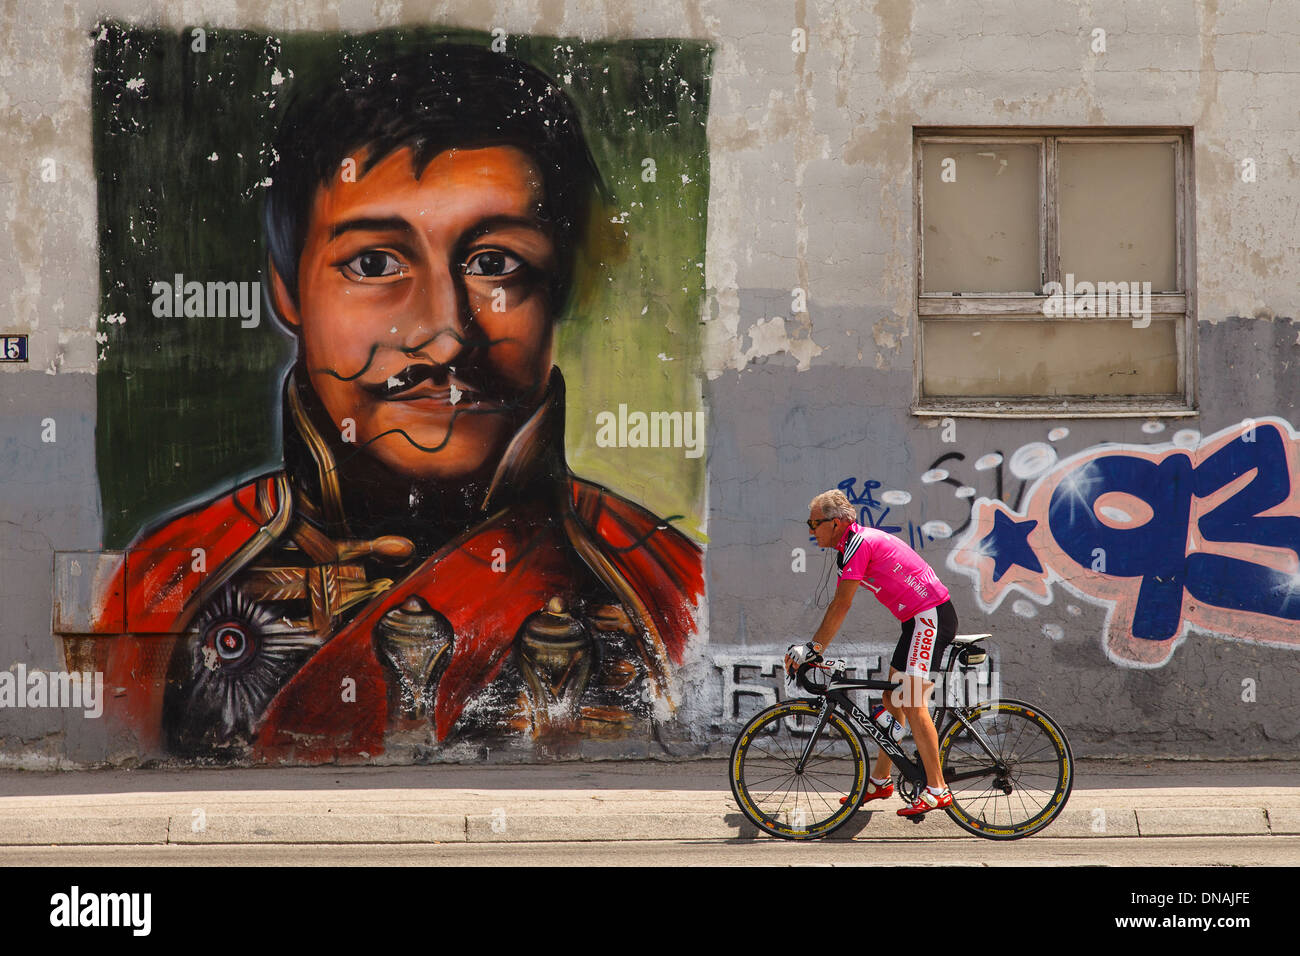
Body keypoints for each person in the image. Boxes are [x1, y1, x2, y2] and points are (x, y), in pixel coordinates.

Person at [90, 46, 703, 761]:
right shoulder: (160, 589)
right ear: (287, 288)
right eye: (374, 263)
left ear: (554, 290)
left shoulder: (666, 590)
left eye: (496, 263)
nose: (445, 337)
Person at [786, 489, 958, 816]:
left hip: (930, 616)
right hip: (916, 621)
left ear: (835, 523)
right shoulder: (849, 547)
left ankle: (937, 789)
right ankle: (880, 780)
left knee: (911, 700)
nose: (810, 529)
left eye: (814, 522)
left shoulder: (858, 545)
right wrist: (816, 648)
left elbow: (841, 605)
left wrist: (813, 648)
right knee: (893, 701)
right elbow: (839, 605)